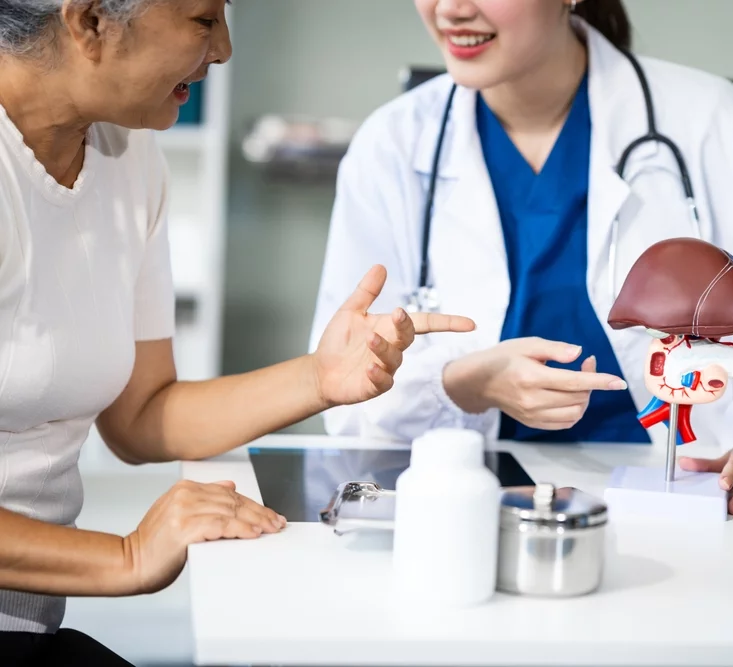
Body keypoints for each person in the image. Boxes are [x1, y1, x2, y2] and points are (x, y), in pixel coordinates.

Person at [0, 1, 474, 663]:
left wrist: (321, 376)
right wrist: (127, 556)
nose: (223, 50)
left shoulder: (128, 156)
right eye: (202, 20)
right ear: (89, 23)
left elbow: (140, 416)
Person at [310, 0, 733, 517]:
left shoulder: (714, 121)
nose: (451, 8)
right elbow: (345, 385)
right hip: (476, 503)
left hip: (689, 496)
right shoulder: (392, 146)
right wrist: (462, 383)